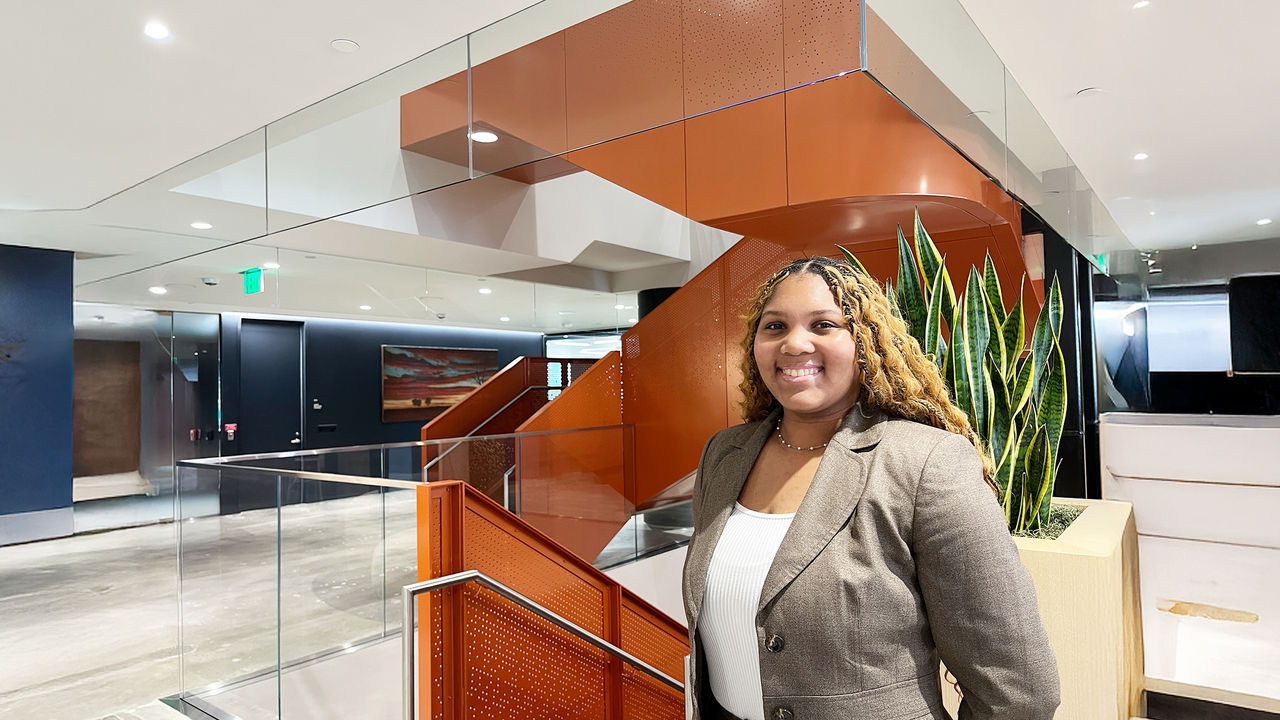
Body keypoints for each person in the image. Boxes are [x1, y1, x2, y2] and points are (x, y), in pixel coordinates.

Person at [681, 256, 1060, 720]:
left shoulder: (925, 462)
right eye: (775, 326)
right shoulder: (724, 454)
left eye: (824, 325)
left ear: (866, 341)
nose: (794, 343)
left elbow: (1018, 690)